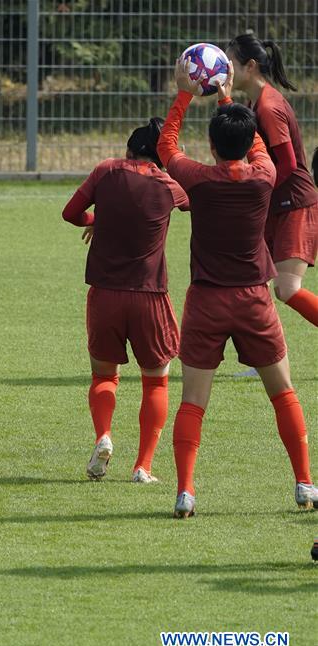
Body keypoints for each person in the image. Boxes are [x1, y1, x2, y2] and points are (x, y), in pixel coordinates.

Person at [156, 58, 317, 519]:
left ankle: (186, 491)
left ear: (210, 143)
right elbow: (262, 147)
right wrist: (227, 94)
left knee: (192, 402)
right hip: (253, 301)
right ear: (249, 144)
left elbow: (167, 145)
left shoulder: (196, 179)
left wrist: (187, 92)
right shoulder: (263, 176)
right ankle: (305, 483)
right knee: (283, 393)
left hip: (206, 300)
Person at [62, 118, 189, 483]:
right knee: (156, 382)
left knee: (104, 376)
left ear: (129, 150)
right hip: (149, 295)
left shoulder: (105, 171)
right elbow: (194, 203)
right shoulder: (168, 184)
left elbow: (70, 214)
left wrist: (96, 221)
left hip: (104, 294)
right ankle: (143, 467)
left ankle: (103, 435)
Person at [226, 34, 318, 327]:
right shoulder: (256, 102)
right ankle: (264, 360)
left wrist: (258, 192)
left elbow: (289, 164)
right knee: (253, 280)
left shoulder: (268, 107)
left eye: (230, 64)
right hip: (276, 203)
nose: (225, 70)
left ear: (250, 66)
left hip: (295, 204)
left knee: (287, 289)